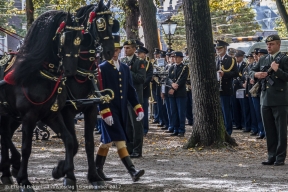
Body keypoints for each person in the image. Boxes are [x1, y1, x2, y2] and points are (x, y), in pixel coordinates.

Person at [95, 35, 145, 182]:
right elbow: (100, 91)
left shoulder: (124, 67)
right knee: (120, 141)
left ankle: (97, 169)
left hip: (121, 110)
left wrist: (138, 107)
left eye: (118, 50)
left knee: (107, 142)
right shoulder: (102, 68)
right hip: (109, 111)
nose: (117, 53)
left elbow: (130, 90)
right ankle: (132, 171)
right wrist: (104, 111)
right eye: (114, 50)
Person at [249, 34, 288, 166]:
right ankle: (271, 155)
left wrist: (277, 70)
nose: (269, 46)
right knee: (269, 130)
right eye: (267, 44)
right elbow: (250, 70)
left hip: (279, 99)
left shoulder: (284, 59)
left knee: (280, 130)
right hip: (265, 99)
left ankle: (280, 157)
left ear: (278, 45)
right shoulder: (264, 59)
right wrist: (256, 74)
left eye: (271, 44)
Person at [122, 39, 146, 158]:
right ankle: (129, 148)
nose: (126, 50)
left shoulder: (139, 62)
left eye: (128, 48)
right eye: (125, 48)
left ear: (134, 49)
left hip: (135, 99)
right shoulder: (122, 62)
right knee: (127, 126)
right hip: (124, 98)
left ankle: (137, 149)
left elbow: (141, 79)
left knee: (136, 126)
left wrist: (128, 72)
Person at [215, 40, 238, 135]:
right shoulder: (216, 59)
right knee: (219, 111)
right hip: (217, 88)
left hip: (226, 88)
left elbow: (235, 73)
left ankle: (228, 131)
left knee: (226, 110)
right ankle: (221, 129)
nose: (218, 50)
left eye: (220, 48)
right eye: (217, 49)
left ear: (225, 48)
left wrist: (225, 74)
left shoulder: (231, 59)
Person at [166, 51, 189, 137]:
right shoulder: (171, 67)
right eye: (174, 57)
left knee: (181, 112)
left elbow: (183, 79)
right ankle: (175, 129)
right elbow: (167, 78)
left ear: (181, 58)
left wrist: (175, 86)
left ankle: (181, 130)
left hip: (180, 92)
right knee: (173, 112)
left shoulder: (185, 67)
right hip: (172, 93)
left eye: (177, 57)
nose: (175, 59)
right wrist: (172, 84)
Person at [136, 46, 153, 136]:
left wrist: (142, 85)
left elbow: (149, 76)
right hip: (135, 90)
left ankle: (144, 129)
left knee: (144, 110)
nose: (139, 54)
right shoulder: (134, 62)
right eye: (138, 53)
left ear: (144, 54)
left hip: (144, 90)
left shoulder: (148, 64)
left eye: (140, 53)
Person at [232, 50, 251, 132]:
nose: (236, 58)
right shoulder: (234, 65)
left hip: (242, 88)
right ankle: (237, 123)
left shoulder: (244, 65)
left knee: (243, 108)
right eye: (236, 57)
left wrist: (240, 83)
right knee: (235, 107)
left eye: (238, 57)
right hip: (234, 89)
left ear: (242, 57)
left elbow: (243, 77)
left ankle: (244, 124)